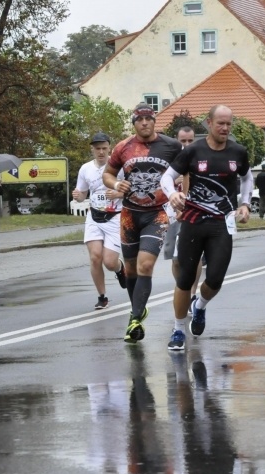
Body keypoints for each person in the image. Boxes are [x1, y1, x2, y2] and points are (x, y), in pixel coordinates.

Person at [161, 105, 253, 350]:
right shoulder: (192, 151)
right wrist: (172, 195)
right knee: (185, 278)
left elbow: (247, 178)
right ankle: (178, 330)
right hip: (192, 222)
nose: (224, 128)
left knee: (215, 279)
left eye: (228, 124)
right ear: (209, 123)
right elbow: (166, 178)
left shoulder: (238, 152)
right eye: (220, 123)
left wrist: (245, 204)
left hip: (222, 223)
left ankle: (199, 306)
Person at [103, 102, 183, 343]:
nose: (145, 123)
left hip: (156, 213)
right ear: (134, 123)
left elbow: (187, 170)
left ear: (154, 121)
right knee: (130, 270)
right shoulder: (123, 147)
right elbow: (107, 173)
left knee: (145, 265)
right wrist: (116, 184)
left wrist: (183, 197)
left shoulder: (171, 146)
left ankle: (135, 317)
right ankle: (137, 310)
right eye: (140, 119)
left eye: (149, 119)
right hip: (129, 214)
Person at [72, 132, 127, 309]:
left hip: (115, 217)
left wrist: (118, 193)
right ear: (92, 150)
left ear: (109, 148)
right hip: (94, 216)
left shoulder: (119, 167)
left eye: (104, 148)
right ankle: (102, 296)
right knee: (95, 257)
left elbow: (132, 191)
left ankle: (119, 269)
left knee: (109, 262)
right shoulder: (85, 169)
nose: (101, 152)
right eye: (97, 149)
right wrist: (78, 196)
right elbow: (82, 196)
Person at [163, 126, 204, 306]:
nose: (187, 144)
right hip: (170, 211)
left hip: (193, 210)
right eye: (183, 141)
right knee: (175, 258)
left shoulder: (199, 158)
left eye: (190, 140)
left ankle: (192, 293)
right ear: (176, 140)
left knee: (193, 256)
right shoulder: (169, 159)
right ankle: (182, 288)